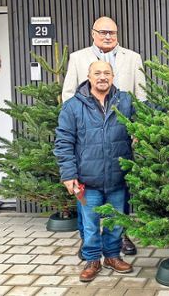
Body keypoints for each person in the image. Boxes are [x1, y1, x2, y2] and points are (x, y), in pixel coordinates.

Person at [62, 16, 145, 257]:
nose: (108, 36)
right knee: (87, 203)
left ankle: (120, 239)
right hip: (88, 139)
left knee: (119, 194)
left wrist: (139, 130)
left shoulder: (133, 58)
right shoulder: (78, 58)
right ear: (93, 33)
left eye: (112, 32)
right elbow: (68, 95)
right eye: (103, 32)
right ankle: (88, 245)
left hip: (120, 137)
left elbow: (142, 96)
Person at [54, 61, 136, 282]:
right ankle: (92, 260)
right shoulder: (72, 106)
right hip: (87, 180)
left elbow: (149, 115)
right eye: (97, 73)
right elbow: (64, 142)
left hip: (118, 176)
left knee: (116, 222)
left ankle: (112, 256)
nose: (102, 77)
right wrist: (68, 174)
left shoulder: (125, 101)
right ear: (88, 76)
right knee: (90, 224)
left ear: (112, 76)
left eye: (106, 73)